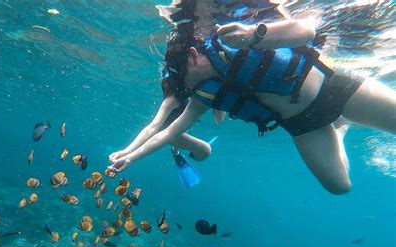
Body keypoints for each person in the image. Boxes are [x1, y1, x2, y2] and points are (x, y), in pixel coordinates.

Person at [109, 10, 396, 195]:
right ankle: (342, 128)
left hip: (336, 88)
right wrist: (129, 157)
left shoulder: (234, 40)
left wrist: (256, 34)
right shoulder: (206, 93)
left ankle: (344, 117)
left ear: (195, 55)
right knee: (339, 186)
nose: (186, 86)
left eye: (185, 76)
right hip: (301, 124)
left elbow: (307, 30)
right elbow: (168, 132)